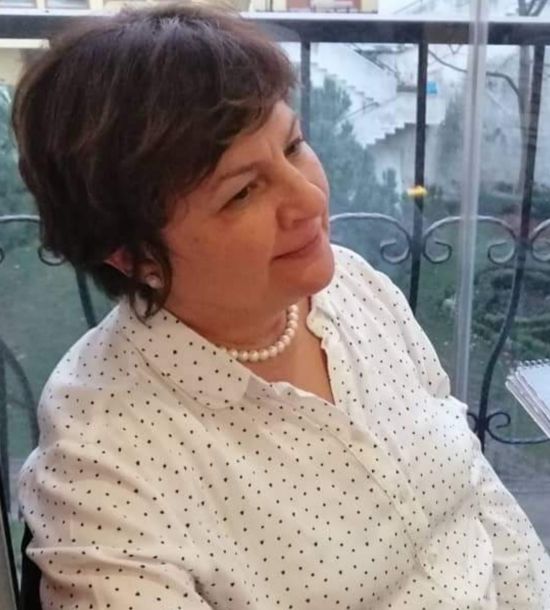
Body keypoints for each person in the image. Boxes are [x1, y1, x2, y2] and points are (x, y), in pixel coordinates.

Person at [13, 3, 550, 609]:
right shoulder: (101, 465)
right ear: (133, 256)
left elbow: (474, 491)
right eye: (243, 191)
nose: (310, 200)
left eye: (293, 146)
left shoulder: (356, 288)